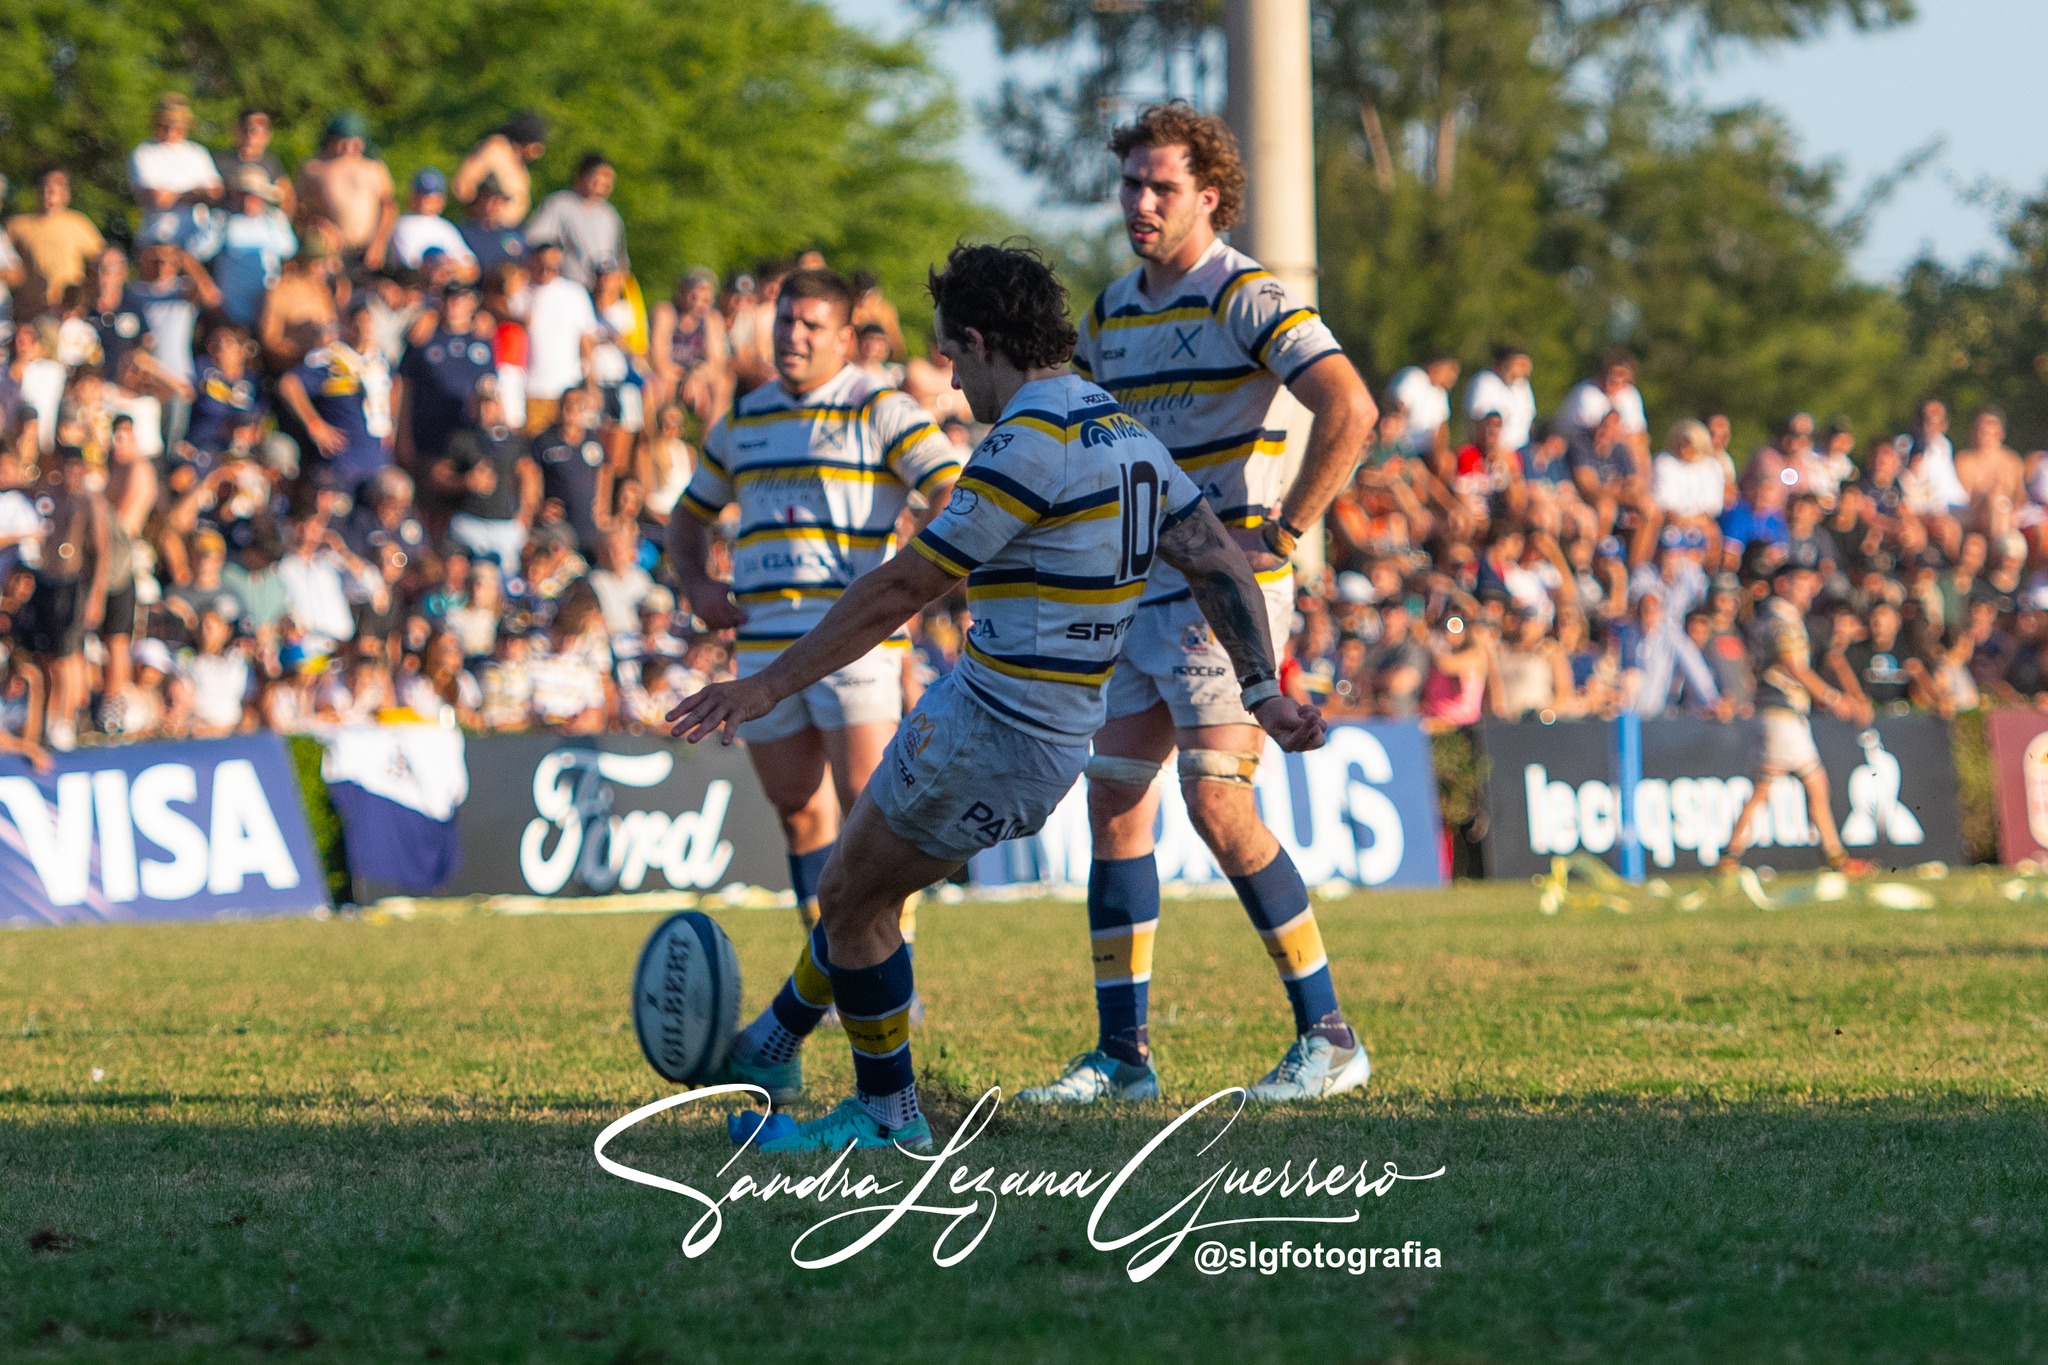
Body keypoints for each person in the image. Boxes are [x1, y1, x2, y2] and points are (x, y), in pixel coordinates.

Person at [670, 242, 1326, 1152]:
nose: (951, 375)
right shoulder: (1121, 428)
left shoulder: (1027, 438)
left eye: (951, 354)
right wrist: (1262, 687)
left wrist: (767, 682)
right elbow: (1216, 558)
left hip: (994, 728)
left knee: (852, 901)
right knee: (857, 884)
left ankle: (885, 1117)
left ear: (982, 341)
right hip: (1038, 731)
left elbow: (906, 587)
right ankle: (779, 1043)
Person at [1029, 100, 1378, 1106]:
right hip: (1132, 592)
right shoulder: (1109, 311)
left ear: (1208, 198)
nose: (1139, 201)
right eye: (1131, 183)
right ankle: (1122, 1059)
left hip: (1217, 599)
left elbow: (1349, 408)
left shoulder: (1246, 295)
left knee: (1218, 803)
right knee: (1114, 804)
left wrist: (1285, 529)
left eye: (1160, 187)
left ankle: (1330, 1038)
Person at [665, 266, 960, 946]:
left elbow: (951, 488)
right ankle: (830, 964)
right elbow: (687, 519)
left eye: (810, 325)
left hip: (854, 634)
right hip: (764, 635)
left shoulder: (880, 407)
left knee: (869, 803)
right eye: (784, 321)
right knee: (798, 809)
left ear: (846, 337)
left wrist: (918, 581)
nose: (792, 336)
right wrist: (698, 586)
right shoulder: (745, 416)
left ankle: (893, 960)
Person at [1717, 564, 1872, 877]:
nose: (1809, 590)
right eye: (1803, 583)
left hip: (1771, 711)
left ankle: (1729, 857)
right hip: (1782, 712)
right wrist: (1833, 698)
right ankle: (1837, 858)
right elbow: (1795, 667)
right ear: (1783, 584)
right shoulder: (1782, 621)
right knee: (1814, 782)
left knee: (1764, 788)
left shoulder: (1769, 618)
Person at [277, 305, 394, 496]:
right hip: (343, 460)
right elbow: (289, 384)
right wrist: (315, 424)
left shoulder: (379, 359)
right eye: (358, 324)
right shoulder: (330, 358)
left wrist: (391, 427)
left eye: (368, 324)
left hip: (377, 458)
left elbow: (395, 385)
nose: (363, 330)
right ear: (347, 325)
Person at [436, 376, 537, 569]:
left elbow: (528, 474)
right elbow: (439, 476)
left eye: (490, 404)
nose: (485, 410)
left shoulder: (514, 441)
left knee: (508, 578)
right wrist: (465, 481)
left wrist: (525, 511)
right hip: (470, 522)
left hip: (505, 524)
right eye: (481, 404)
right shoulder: (462, 438)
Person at [397, 281, 495, 467]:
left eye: (460, 299)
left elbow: (490, 388)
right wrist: (402, 437)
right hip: (427, 437)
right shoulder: (424, 338)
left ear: (472, 302)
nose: (453, 304)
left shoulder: (482, 339)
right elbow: (405, 390)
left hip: (467, 437)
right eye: (449, 298)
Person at [295, 111, 397, 275]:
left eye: (354, 143)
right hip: (330, 252)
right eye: (343, 142)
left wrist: (378, 244)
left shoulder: (374, 168)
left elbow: (389, 207)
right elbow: (297, 207)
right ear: (330, 140)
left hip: (367, 251)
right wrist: (318, 225)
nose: (348, 148)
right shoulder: (313, 168)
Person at [7, 170, 105, 322]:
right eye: (45, 186)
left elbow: (103, 262)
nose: (50, 191)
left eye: (57, 186)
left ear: (67, 193)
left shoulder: (78, 223)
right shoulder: (17, 226)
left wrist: (87, 297)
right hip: (30, 315)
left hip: (69, 313)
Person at [128, 93, 222, 251]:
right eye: (165, 124)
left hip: (197, 241)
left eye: (176, 124)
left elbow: (216, 193)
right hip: (158, 237)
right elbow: (157, 199)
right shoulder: (144, 152)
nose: (170, 130)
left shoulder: (197, 152)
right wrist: (196, 194)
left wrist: (174, 195)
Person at [521, 243, 598, 434]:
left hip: (568, 388)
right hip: (532, 388)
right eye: (543, 265)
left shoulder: (574, 293)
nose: (548, 271)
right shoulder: (522, 291)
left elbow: (587, 341)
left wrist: (591, 384)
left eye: (554, 266)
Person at [207, 167, 298, 328]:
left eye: (253, 196)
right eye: (243, 195)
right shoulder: (221, 220)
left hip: (267, 308)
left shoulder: (275, 219)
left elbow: (289, 250)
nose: (248, 202)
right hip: (231, 309)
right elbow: (201, 251)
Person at [526, 153, 627, 290]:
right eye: (600, 175)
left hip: (599, 291)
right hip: (567, 287)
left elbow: (620, 260)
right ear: (583, 175)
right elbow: (536, 241)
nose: (604, 182)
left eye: (609, 178)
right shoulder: (560, 204)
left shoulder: (609, 215)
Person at [453, 111, 548, 225]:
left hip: (506, 231)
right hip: (484, 226)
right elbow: (463, 184)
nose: (538, 153)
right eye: (536, 147)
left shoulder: (519, 163)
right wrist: (480, 209)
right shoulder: (495, 150)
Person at [391, 169, 477, 276]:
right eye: (421, 195)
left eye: (432, 197)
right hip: (417, 287)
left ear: (441, 200)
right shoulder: (402, 225)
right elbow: (412, 266)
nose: (425, 202)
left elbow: (472, 270)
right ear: (412, 196)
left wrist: (454, 268)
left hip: (448, 288)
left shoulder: (446, 227)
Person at [214, 108, 295, 219]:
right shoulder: (221, 161)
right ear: (238, 130)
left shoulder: (271, 164)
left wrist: (282, 221)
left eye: (257, 130)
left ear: (267, 134)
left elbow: (287, 195)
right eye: (246, 129)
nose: (251, 134)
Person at [1466, 343, 1536, 452]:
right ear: (1503, 364)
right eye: (1518, 365)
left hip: (1522, 450)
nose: (1521, 372)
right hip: (1493, 452)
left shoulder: (1522, 386)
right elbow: (1481, 425)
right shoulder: (1485, 382)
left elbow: (1528, 420)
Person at [457, 175, 526, 278]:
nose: (497, 205)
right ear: (479, 199)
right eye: (493, 199)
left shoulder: (514, 233)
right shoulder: (462, 233)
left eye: (502, 201)